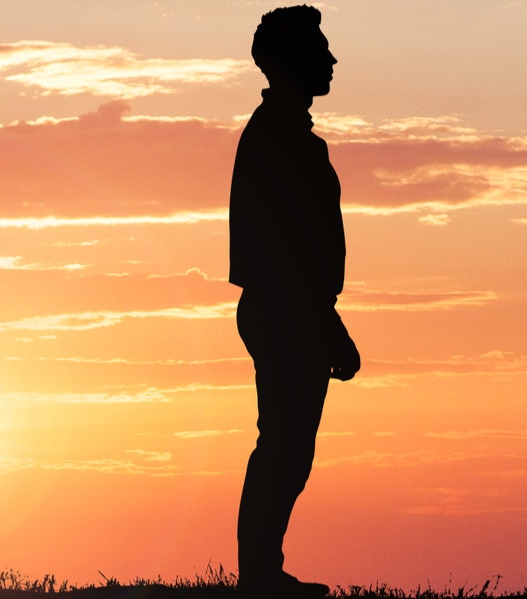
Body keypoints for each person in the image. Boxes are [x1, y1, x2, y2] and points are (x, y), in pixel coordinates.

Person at [228, 6, 360, 598]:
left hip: (296, 310)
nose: (331, 60)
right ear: (291, 61)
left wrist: (325, 319)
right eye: (320, 50)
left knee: (289, 446)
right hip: (286, 311)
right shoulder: (275, 138)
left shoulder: (287, 136)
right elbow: (282, 252)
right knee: (283, 444)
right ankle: (258, 575)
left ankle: (263, 570)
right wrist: (323, 322)